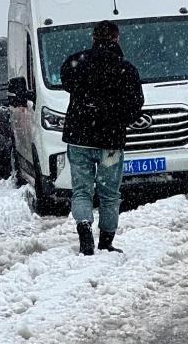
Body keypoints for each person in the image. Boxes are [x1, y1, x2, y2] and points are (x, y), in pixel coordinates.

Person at [60, 20, 144, 255]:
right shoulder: (126, 69)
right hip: (110, 143)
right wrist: (117, 120)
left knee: (81, 190)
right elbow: (135, 104)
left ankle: (84, 226)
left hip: (78, 139)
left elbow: (65, 81)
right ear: (116, 39)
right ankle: (106, 241)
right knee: (109, 193)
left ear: (93, 38)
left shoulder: (77, 63)